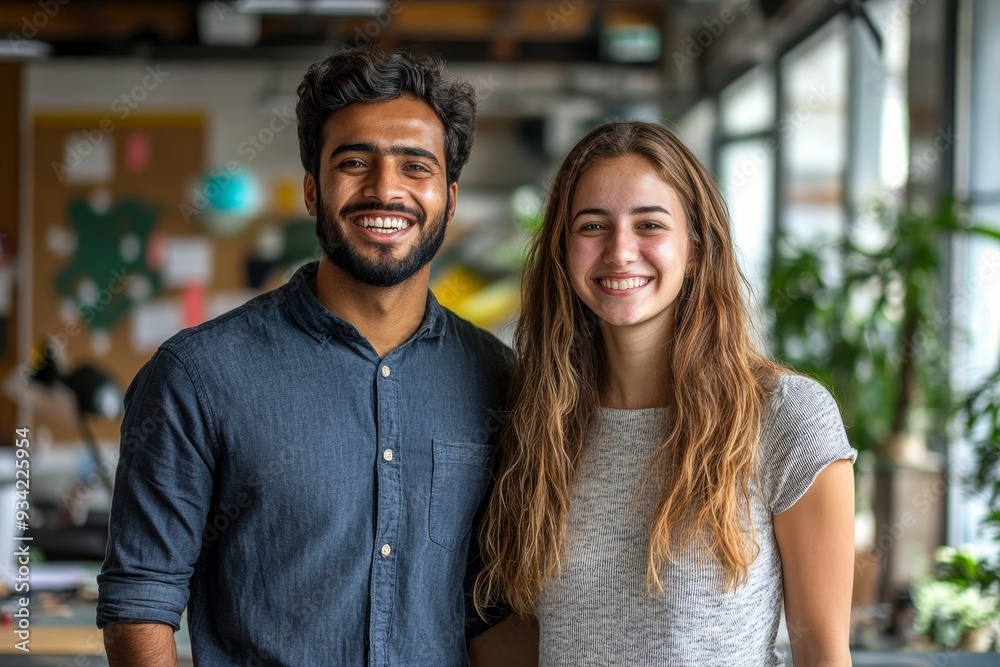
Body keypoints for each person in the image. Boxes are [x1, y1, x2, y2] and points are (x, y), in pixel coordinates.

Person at [97, 46, 513, 666]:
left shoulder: (498, 378)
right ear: (313, 191)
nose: (384, 189)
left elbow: (489, 610)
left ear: (449, 198)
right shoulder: (197, 376)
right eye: (354, 162)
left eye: (415, 167)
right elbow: (140, 601)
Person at [475, 121, 856, 666]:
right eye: (592, 226)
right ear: (563, 250)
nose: (620, 251)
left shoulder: (786, 416)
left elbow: (822, 652)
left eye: (649, 224)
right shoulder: (538, 420)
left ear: (696, 250)